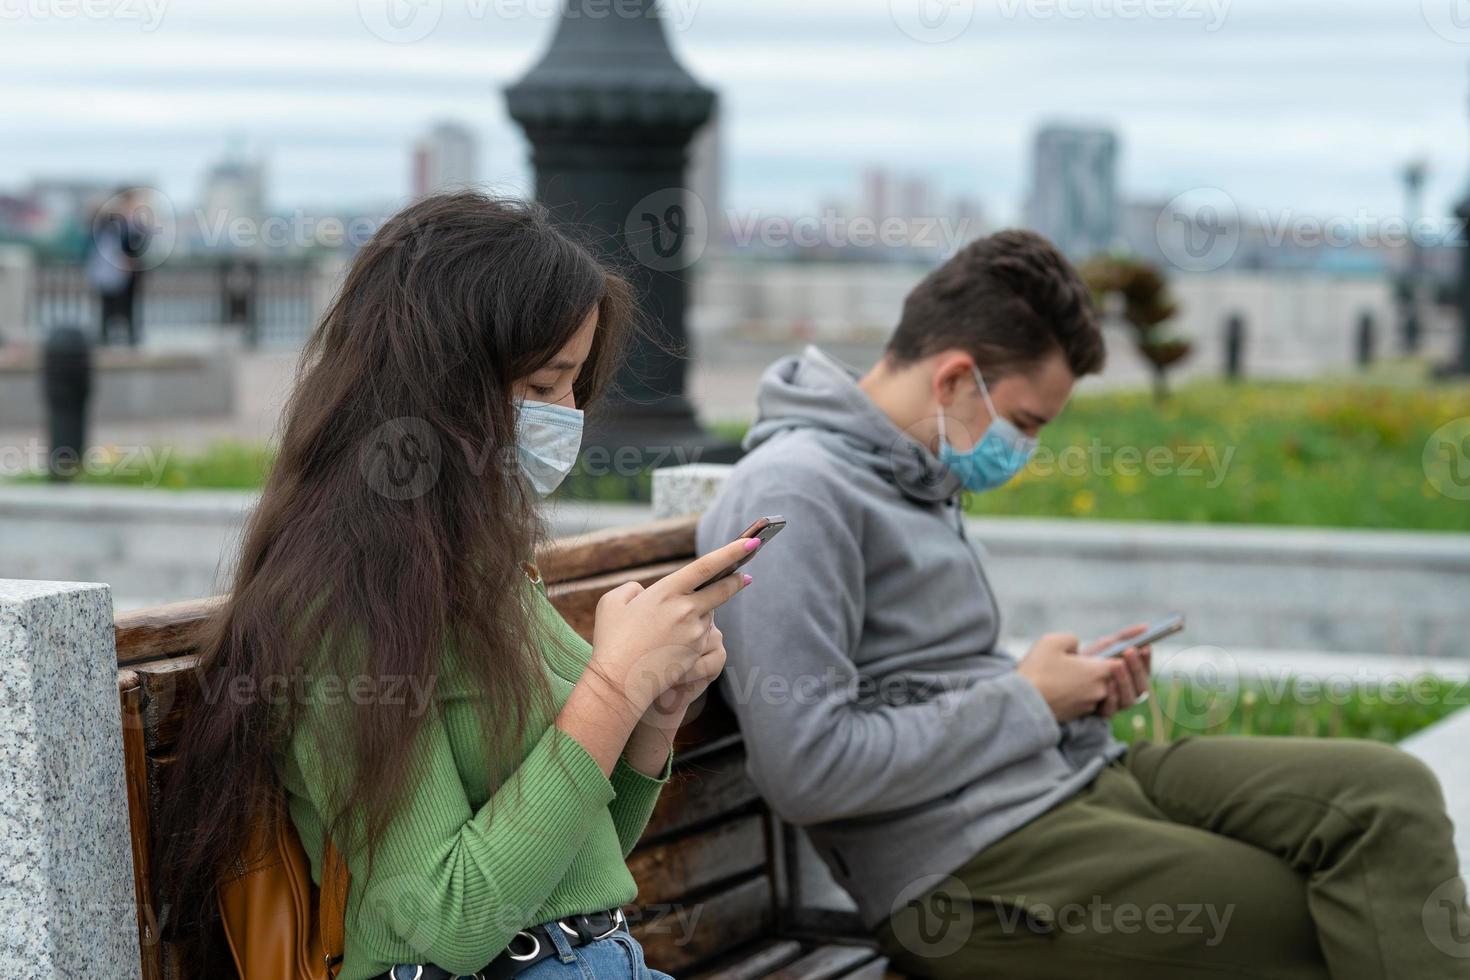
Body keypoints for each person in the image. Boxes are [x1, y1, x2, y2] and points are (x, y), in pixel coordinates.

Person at [698, 230, 1468, 979]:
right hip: (964, 872)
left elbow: (940, 682)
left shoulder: (919, 472)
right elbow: (807, 768)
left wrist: (1067, 692)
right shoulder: (794, 492)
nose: (1024, 449)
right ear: (956, 379)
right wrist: (1030, 699)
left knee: (1387, 794)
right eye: (1026, 423)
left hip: (1064, 780)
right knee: (1338, 912)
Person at [156, 192, 759, 980]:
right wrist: (617, 681)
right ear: (440, 389)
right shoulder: (342, 604)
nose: (568, 415)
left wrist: (655, 710)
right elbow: (448, 918)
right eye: (544, 387)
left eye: (576, 386)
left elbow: (577, 851)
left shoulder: (482, 562)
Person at [88, 188, 151, 346]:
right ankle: (107, 336)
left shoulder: (133, 224)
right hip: (112, 273)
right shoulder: (110, 222)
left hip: (127, 274)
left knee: (128, 306)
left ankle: (129, 335)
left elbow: (139, 243)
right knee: (108, 305)